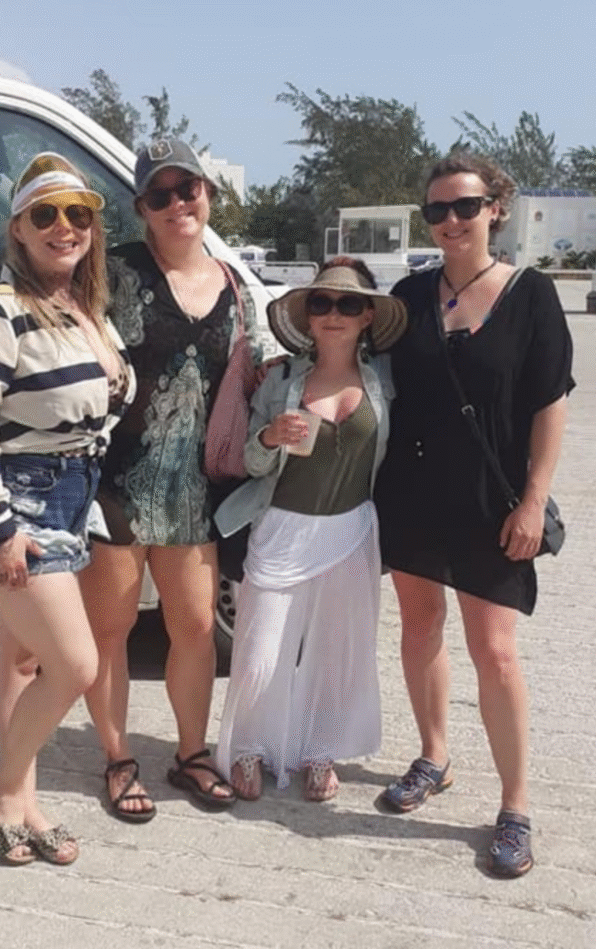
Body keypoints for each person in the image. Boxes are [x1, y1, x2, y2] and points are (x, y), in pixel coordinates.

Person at [373, 152, 574, 877]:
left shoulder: (530, 294)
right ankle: (434, 756)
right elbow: (364, 370)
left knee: (494, 651)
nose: (451, 220)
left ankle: (515, 805)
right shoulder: (408, 294)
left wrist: (533, 499)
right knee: (418, 626)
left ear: (496, 208)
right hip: (411, 493)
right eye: (437, 210)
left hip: (491, 501)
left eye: (465, 206)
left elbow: (550, 405)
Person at [0, 152, 134, 864]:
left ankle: (23, 802)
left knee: (20, 661)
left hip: (70, 497)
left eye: (78, 213)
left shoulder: (84, 310)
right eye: (44, 214)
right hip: (17, 506)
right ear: (17, 228)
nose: (64, 226)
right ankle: (1, 788)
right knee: (75, 664)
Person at [79, 139, 260, 820]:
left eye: (189, 189)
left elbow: (257, 370)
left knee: (193, 626)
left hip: (192, 488)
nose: (178, 203)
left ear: (208, 194)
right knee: (111, 630)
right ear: (141, 208)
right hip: (116, 482)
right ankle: (117, 758)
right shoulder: (113, 271)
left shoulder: (235, 286)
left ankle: (191, 754)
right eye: (161, 194)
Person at [214, 262, 407, 801]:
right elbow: (251, 461)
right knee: (259, 654)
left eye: (349, 304)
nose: (333, 315)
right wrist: (270, 437)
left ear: (368, 315)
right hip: (281, 529)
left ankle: (321, 752)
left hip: (351, 530)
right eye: (321, 303)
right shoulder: (280, 380)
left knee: (338, 653)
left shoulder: (387, 378)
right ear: (307, 314)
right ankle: (248, 747)